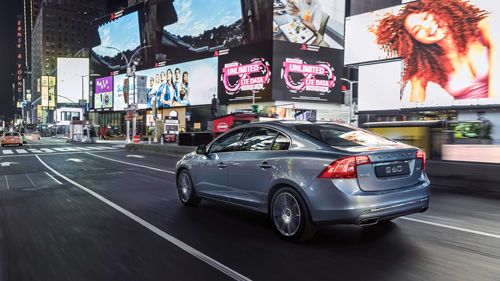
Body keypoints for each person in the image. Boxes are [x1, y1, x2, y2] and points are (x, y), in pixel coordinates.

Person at [370, 0, 499, 101]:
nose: (426, 27)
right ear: (416, 41)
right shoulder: (429, 66)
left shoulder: (487, 26)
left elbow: (495, 95)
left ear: (438, 11)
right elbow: (416, 106)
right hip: (471, 127)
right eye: (417, 30)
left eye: (426, 17)